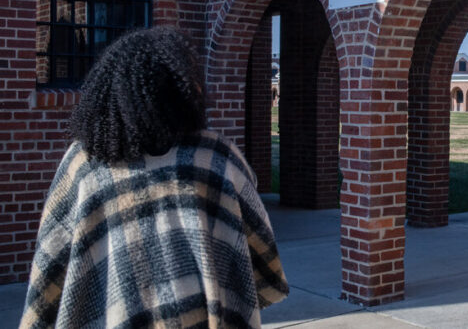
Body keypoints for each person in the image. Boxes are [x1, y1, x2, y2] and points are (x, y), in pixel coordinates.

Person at [20, 28, 289, 328]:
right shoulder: (216, 157)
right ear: (182, 92)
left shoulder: (84, 163)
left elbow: (51, 255)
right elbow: (259, 243)